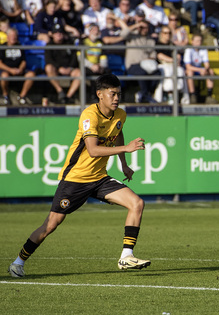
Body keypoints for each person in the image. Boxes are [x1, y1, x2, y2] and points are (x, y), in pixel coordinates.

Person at [7, 74, 151, 278]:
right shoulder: (89, 115)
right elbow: (92, 150)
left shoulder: (120, 114)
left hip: (99, 178)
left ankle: (126, 255)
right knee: (50, 225)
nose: (117, 97)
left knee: (137, 203)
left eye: (119, 93)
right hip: (75, 179)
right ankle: (18, 262)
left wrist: (124, 164)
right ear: (100, 95)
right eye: (112, 94)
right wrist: (126, 149)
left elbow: (117, 132)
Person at [45, 24, 80, 104]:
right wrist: (59, 68)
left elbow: (74, 58)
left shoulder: (69, 43)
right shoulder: (49, 45)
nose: (58, 34)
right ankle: (60, 91)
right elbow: (48, 60)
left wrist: (70, 68)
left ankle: (68, 97)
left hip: (69, 69)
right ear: (53, 34)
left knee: (79, 73)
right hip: (56, 69)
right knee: (48, 68)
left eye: (60, 32)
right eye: (56, 33)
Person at [0, 28, 36, 105]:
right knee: (4, 76)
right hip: (7, 70)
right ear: (7, 37)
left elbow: (23, 61)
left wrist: (20, 69)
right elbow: (0, 63)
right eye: (12, 36)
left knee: (31, 75)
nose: (14, 37)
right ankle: (5, 96)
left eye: (15, 36)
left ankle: (22, 96)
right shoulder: (2, 47)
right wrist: (10, 70)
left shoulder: (20, 46)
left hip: (19, 70)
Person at [184, 34, 216, 104]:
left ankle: (209, 96)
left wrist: (205, 70)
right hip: (192, 70)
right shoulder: (188, 50)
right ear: (192, 41)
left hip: (199, 69)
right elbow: (188, 66)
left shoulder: (203, 50)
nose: (199, 42)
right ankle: (192, 96)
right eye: (197, 41)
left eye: (200, 41)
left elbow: (207, 64)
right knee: (189, 72)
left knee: (210, 71)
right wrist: (200, 70)